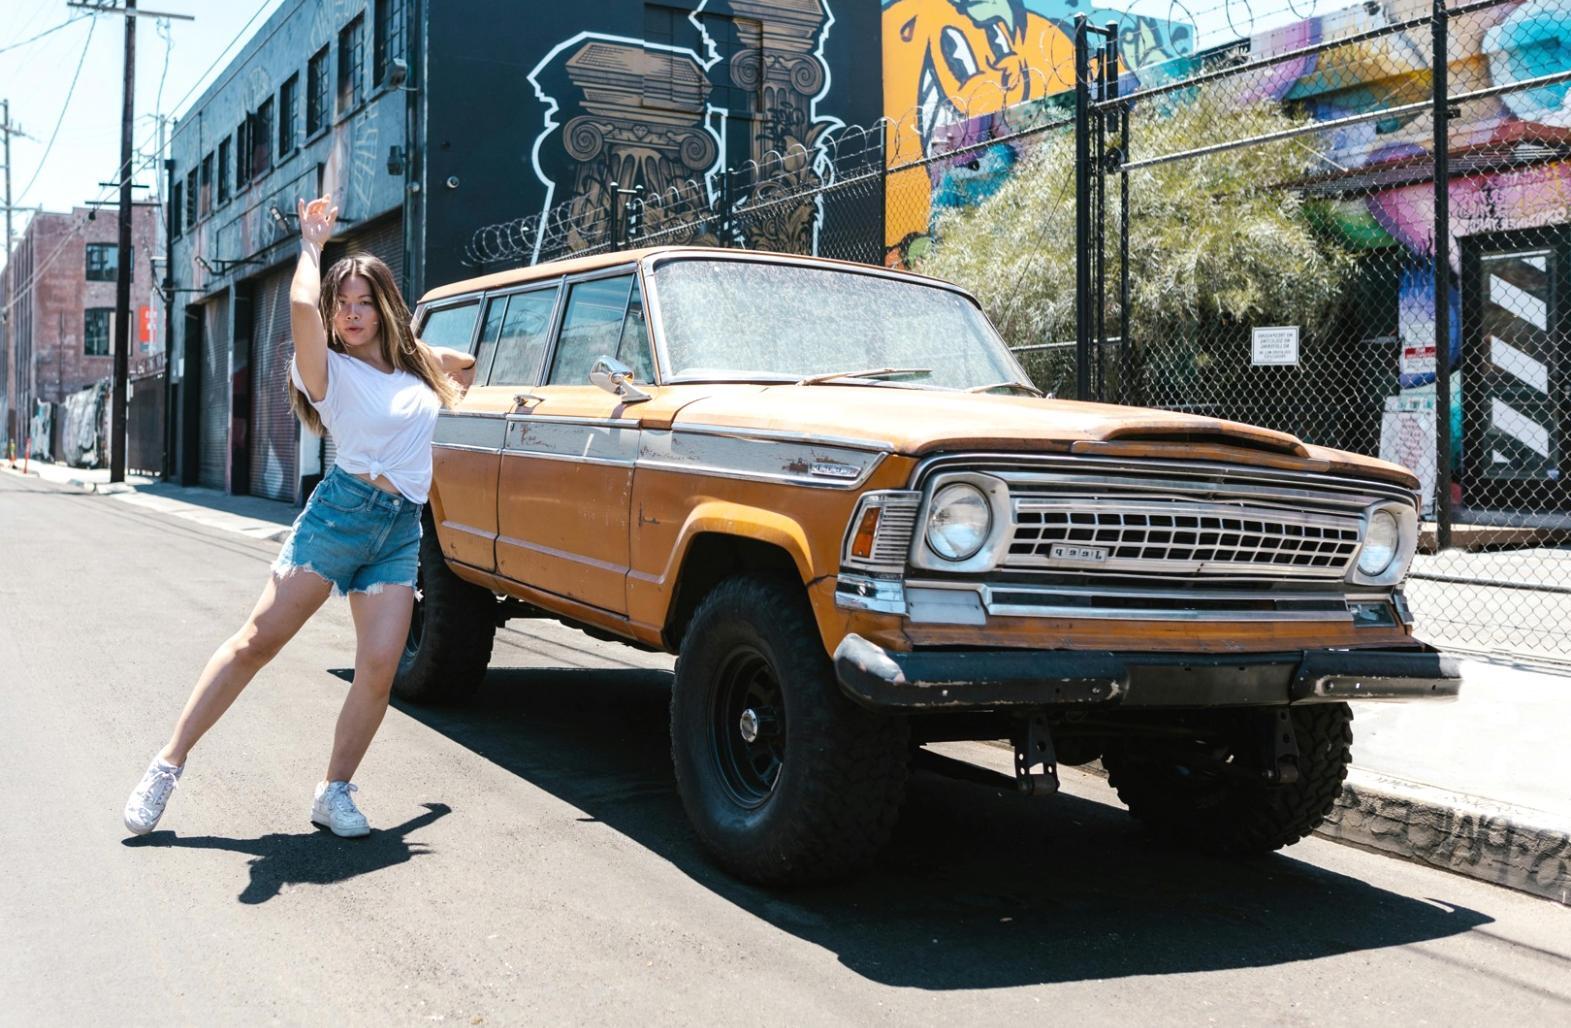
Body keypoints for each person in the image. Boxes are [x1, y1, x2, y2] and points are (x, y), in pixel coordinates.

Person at [123, 193, 476, 838]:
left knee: (377, 668)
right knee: (257, 642)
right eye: (342, 305)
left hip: (399, 530)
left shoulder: (412, 368)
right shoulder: (327, 370)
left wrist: (436, 359)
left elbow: (463, 365)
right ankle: (167, 765)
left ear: (386, 307)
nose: (351, 314)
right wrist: (313, 246)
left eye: (365, 302)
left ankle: (333, 792)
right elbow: (297, 306)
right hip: (340, 517)